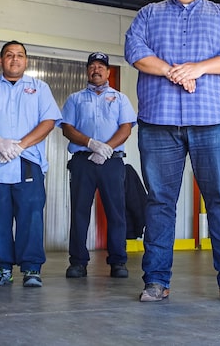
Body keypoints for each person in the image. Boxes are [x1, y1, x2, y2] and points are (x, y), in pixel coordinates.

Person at [124, 0, 220, 303]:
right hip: (159, 121)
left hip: (211, 122)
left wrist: (198, 67)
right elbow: (134, 50)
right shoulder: (149, 14)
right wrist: (171, 70)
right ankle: (156, 281)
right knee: (160, 201)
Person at [0, 40, 61, 288]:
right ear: (1, 61)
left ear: (26, 61)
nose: (14, 59)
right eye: (9, 55)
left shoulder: (39, 88)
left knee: (31, 216)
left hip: (27, 163)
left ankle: (31, 269)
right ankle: (2, 267)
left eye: (19, 55)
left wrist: (21, 145)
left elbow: (48, 122)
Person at [60, 52, 137, 279]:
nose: (96, 69)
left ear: (108, 72)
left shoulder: (120, 98)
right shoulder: (75, 99)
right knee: (79, 212)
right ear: (87, 71)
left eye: (101, 66)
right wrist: (91, 144)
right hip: (83, 161)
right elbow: (67, 128)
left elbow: (125, 128)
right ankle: (78, 262)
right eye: (92, 66)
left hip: (111, 162)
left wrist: (106, 149)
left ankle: (118, 262)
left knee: (116, 213)